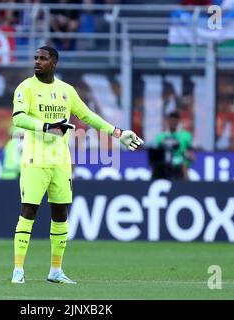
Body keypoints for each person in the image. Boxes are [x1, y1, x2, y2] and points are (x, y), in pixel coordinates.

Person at [10, 46, 143, 284]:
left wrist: (118, 132)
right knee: (28, 211)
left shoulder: (66, 91)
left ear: (54, 63)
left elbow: (88, 116)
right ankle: (18, 269)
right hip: (34, 159)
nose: (37, 62)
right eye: (35, 58)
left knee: (61, 214)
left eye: (43, 58)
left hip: (61, 162)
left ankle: (55, 271)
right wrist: (47, 127)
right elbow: (18, 117)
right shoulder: (26, 88)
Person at [153, 110, 194, 180]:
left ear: (178, 121)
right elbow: (155, 155)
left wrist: (187, 156)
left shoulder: (186, 136)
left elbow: (191, 156)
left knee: (183, 167)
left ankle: (186, 186)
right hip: (164, 166)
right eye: (171, 120)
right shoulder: (160, 137)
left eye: (175, 120)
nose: (173, 123)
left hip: (180, 166)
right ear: (168, 121)